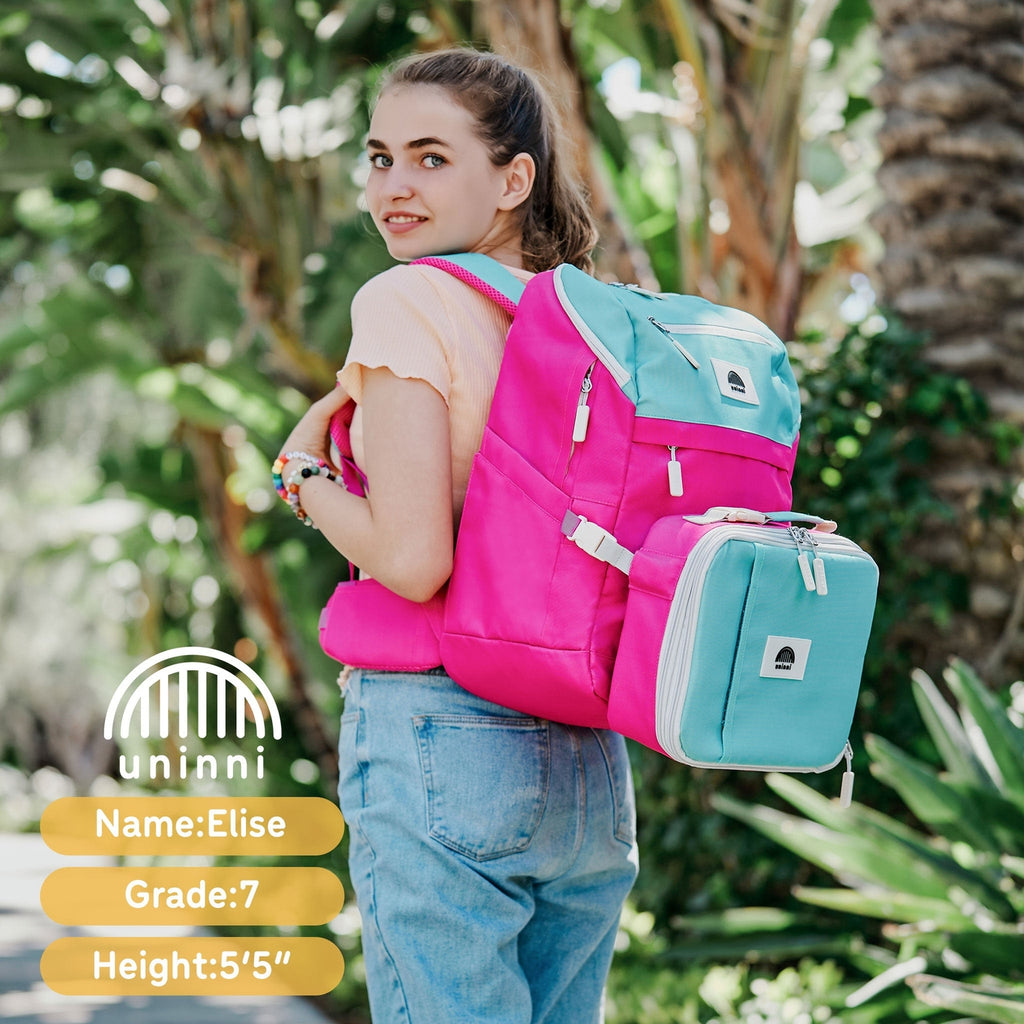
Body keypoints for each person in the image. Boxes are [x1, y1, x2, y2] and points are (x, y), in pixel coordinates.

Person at [276, 48, 638, 1023]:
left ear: (513, 178)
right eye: (380, 156)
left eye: (431, 158)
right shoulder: (588, 320)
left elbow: (412, 556)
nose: (394, 186)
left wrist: (301, 480)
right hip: (586, 758)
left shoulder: (405, 301)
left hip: (442, 731)